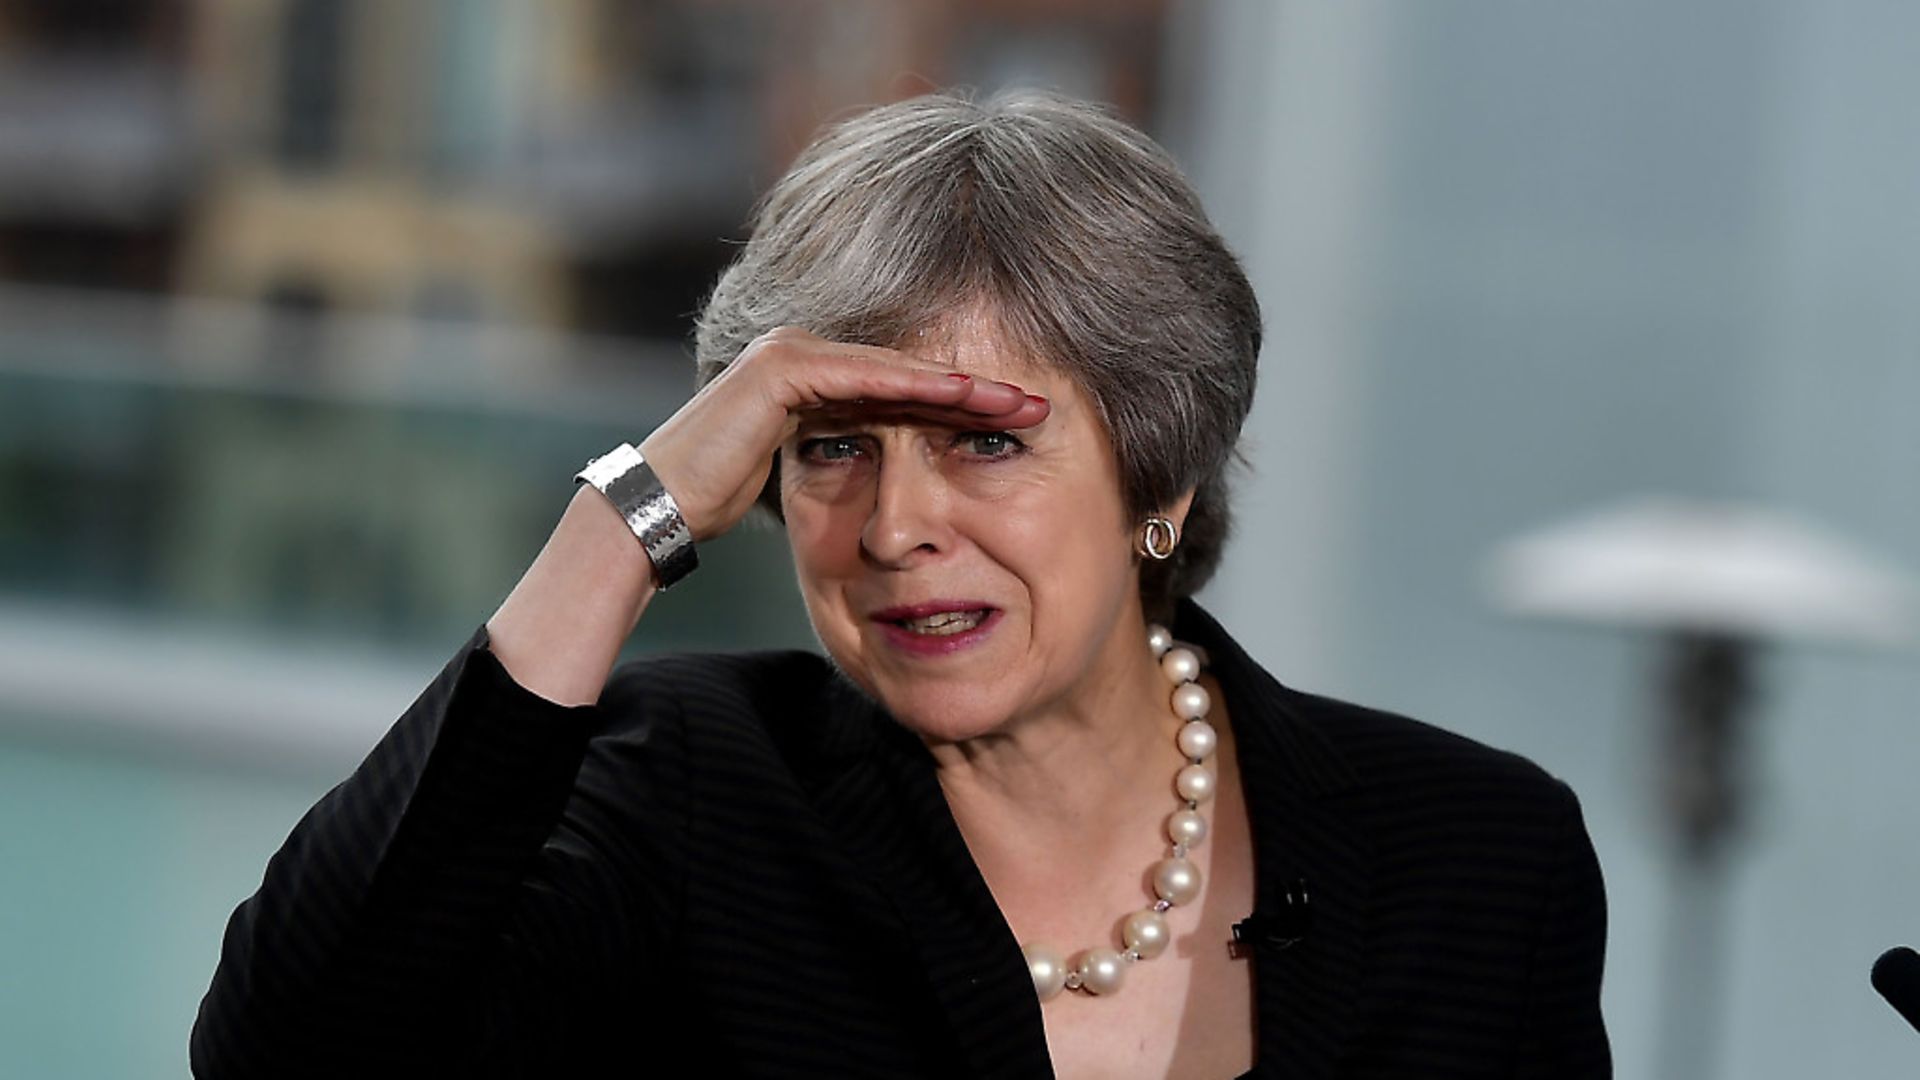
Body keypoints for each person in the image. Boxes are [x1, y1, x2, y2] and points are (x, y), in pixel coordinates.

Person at [191, 90, 1610, 1079]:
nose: (892, 526)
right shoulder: (690, 794)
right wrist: (623, 523)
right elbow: (297, 1054)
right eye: (832, 448)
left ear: (1160, 481)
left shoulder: (1483, 861)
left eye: (986, 441)